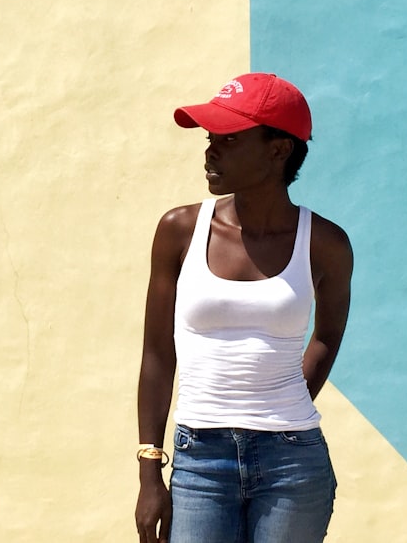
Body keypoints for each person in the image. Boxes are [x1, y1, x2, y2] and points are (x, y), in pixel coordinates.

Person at [135, 72, 354, 543]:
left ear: (279, 151)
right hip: (199, 460)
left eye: (229, 140)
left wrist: (281, 404)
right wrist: (149, 470)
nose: (210, 151)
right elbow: (157, 355)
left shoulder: (326, 243)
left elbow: (327, 337)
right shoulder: (179, 230)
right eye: (211, 139)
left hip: (293, 463)